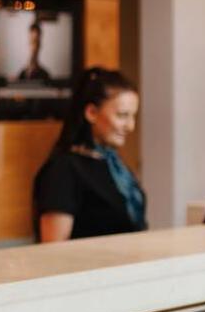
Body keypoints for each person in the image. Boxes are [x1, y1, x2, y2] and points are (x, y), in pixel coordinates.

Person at [33, 67, 147, 242]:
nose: (130, 126)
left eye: (133, 116)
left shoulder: (114, 164)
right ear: (91, 113)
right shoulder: (63, 169)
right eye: (122, 115)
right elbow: (53, 248)